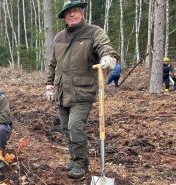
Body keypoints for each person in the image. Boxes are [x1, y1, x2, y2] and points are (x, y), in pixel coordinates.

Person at [45, 0, 118, 179]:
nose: (72, 14)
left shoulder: (94, 32)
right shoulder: (59, 37)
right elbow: (53, 64)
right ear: (64, 16)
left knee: (75, 126)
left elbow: (104, 46)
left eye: (75, 11)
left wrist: (108, 57)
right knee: (65, 128)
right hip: (62, 90)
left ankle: (81, 164)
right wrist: (48, 84)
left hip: (83, 90)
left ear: (82, 13)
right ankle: (75, 159)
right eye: (68, 12)